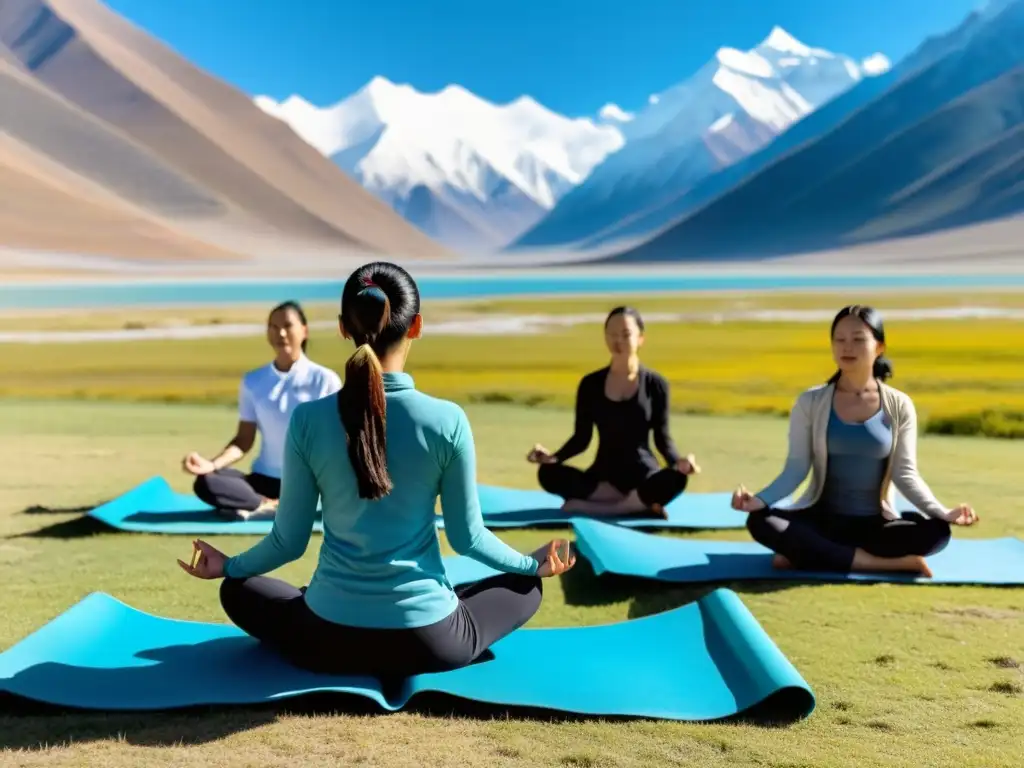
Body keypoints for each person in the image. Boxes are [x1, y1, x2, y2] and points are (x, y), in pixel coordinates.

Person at [178, 262, 575, 679]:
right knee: (524, 588)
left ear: (343, 328)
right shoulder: (447, 420)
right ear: (416, 326)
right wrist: (531, 567)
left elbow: (288, 542)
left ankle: (325, 602)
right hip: (430, 642)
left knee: (238, 589)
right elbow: (467, 538)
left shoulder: (309, 420)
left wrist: (229, 566)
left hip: (326, 640)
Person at [731, 304, 979, 578]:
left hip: (875, 527)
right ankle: (883, 564)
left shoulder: (899, 405)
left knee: (938, 532)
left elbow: (905, 474)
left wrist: (942, 511)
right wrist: (760, 500)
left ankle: (808, 554)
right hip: (820, 520)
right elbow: (796, 468)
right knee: (761, 521)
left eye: (858, 339)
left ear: (880, 347)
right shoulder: (810, 402)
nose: (847, 347)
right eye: (840, 339)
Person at [527, 306, 699, 518]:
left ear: (640, 338)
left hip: (643, 475)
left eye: (626, 334)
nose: (618, 340)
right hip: (602, 478)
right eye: (612, 334)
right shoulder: (590, 384)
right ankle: (636, 504)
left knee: (677, 479)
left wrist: (677, 463)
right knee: (548, 474)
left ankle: (604, 508)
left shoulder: (656, 384)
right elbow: (582, 438)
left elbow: (662, 438)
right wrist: (553, 457)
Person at [180, 301, 341, 519]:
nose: (280, 333)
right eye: (273, 327)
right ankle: (265, 504)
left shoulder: (324, 380)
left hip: (309, 483)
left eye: (287, 325)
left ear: (304, 331)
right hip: (264, 481)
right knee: (207, 481)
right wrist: (210, 465)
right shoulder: (253, 381)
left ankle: (259, 507)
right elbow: (243, 441)